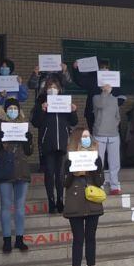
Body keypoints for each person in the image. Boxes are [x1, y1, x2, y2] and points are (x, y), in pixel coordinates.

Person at [0, 94, 33, 253]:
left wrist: (28, 139)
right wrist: (0, 142)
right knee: (6, 206)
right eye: (10, 108)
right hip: (5, 169)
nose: (13, 110)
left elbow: (29, 152)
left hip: (21, 170)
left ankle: (19, 239)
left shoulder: (24, 126)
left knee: (20, 207)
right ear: (5, 110)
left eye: (15, 108)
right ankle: (7, 239)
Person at [62, 126, 105, 266]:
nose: (87, 139)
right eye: (84, 137)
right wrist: (73, 172)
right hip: (75, 203)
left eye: (88, 136)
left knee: (91, 237)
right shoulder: (69, 159)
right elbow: (64, 182)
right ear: (77, 140)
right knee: (78, 238)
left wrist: (93, 169)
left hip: (93, 202)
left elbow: (100, 181)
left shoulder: (96, 157)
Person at [31, 73, 79, 214]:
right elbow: (36, 122)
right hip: (48, 143)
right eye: (50, 87)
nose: (52, 89)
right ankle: (51, 201)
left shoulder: (64, 101)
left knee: (60, 174)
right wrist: (42, 110)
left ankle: (60, 200)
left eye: (55, 87)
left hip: (62, 143)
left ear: (59, 89)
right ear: (46, 89)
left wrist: (73, 111)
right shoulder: (41, 101)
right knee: (49, 173)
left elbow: (73, 122)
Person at [91, 76, 123, 195]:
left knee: (115, 161)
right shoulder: (96, 98)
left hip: (113, 134)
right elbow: (100, 105)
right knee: (99, 161)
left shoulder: (115, 99)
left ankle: (114, 184)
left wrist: (115, 124)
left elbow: (117, 115)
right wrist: (105, 92)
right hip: (100, 133)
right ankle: (99, 183)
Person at [72, 58, 121, 131]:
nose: (104, 69)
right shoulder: (92, 79)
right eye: (102, 67)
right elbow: (80, 81)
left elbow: (121, 98)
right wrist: (75, 69)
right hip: (92, 113)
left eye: (106, 68)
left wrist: (111, 99)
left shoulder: (114, 80)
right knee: (94, 135)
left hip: (109, 114)